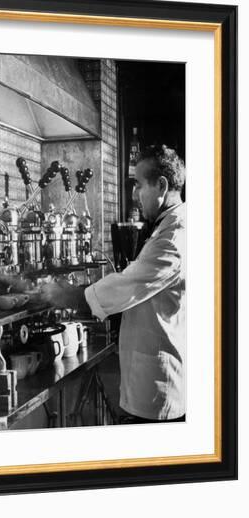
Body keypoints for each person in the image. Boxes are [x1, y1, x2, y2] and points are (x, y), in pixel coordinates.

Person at [42, 145, 186, 423]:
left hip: (158, 390)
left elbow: (126, 285)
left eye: (138, 185)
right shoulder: (170, 225)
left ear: (162, 185)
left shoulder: (174, 236)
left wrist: (57, 294)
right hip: (153, 378)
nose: (134, 195)